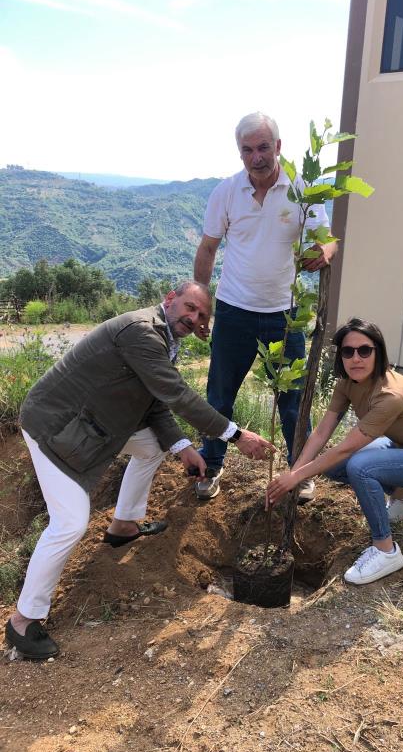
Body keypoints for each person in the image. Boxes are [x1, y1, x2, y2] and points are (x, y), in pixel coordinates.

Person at [6, 281, 274, 660]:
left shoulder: (164, 339)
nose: (193, 317)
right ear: (169, 300)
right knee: (69, 523)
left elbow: (154, 400)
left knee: (151, 447)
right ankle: (23, 621)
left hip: (93, 423)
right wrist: (236, 434)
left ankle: (124, 525)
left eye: (201, 315)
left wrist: (180, 446)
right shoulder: (142, 332)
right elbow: (176, 393)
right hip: (53, 425)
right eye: (189, 307)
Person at [193, 111, 336, 502]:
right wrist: (201, 304)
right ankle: (212, 464)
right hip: (234, 310)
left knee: (292, 403)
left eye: (263, 147)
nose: (256, 157)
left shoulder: (301, 189)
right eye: (247, 150)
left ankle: (300, 472)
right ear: (239, 153)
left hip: (285, 315)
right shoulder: (226, 191)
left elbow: (327, 240)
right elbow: (208, 247)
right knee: (220, 395)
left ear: (278, 146)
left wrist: (325, 249)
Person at [266, 318, 403, 586]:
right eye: (348, 351)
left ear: (378, 352)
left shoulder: (391, 394)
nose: (356, 358)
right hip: (402, 448)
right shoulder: (347, 383)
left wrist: (296, 478)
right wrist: (294, 472)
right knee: (334, 465)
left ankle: (386, 550)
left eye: (364, 350)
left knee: (359, 465)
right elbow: (322, 433)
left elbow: (347, 448)